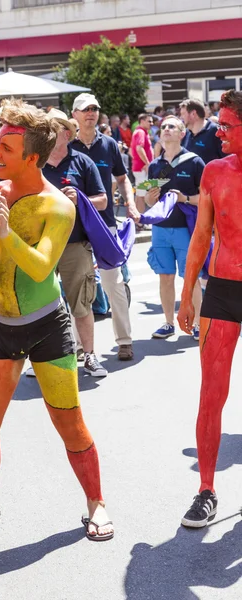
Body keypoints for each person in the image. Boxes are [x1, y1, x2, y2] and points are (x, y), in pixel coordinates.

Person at [0, 99, 114, 542]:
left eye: (6, 149)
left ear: (32, 156)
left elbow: (40, 267)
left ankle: (96, 502)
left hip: (48, 325)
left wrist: (6, 231)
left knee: (70, 423)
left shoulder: (59, 207)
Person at [178, 90, 242, 527]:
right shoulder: (214, 173)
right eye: (217, 123)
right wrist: (186, 294)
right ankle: (205, 489)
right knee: (211, 394)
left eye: (227, 126)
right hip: (220, 291)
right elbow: (201, 236)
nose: (218, 132)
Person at [34, 107, 108, 376]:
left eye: (54, 128)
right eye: (46, 128)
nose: (48, 133)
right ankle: (46, 358)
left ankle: (88, 355)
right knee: (42, 304)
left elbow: (103, 201)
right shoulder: (35, 163)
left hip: (76, 244)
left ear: (66, 133)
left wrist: (81, 199)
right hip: (42, 244)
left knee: (81, 304)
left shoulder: (82, 162)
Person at [71, 93, 139, 361]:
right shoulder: (67, 145)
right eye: (85, 109)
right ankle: (80, 347)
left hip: (106, 224)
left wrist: (131, 205)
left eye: (95, 109)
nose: (91, 113)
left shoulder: (109, 144)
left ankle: (124, 341)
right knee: (77, 288)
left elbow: (123, 180)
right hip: (75, 228)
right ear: (74, 114)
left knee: (115, 284)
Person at [143, 116, 205, 340]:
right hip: (160, 229)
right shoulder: (154, 165)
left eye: (172, 126)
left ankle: (197, 322)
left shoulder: (195, 162)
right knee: (165, 277)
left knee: (192, 277)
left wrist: (184, 198)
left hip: (186, 229)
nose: (166, 129)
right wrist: (150, 199)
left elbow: (207, 198)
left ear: (181, 134)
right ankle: (168, 322)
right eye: (164, 127)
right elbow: (150, 203)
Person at [179, 98, 224, 164]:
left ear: (193, 114)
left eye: (183, 114)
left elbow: (228, 160)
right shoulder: (185, 134)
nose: (181, 117)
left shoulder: (216, 131)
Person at [131, 113, 154, 216]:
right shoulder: (140, 132)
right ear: (142, 121)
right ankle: (140, 221)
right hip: (142, 168)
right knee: (141, 195)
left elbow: (132, 151)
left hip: (140, 168)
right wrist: (147, 163)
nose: (152, 123)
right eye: (149, 121)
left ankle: (136, 218)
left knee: (139, 194)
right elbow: (139, 148)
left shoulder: (142, 132)